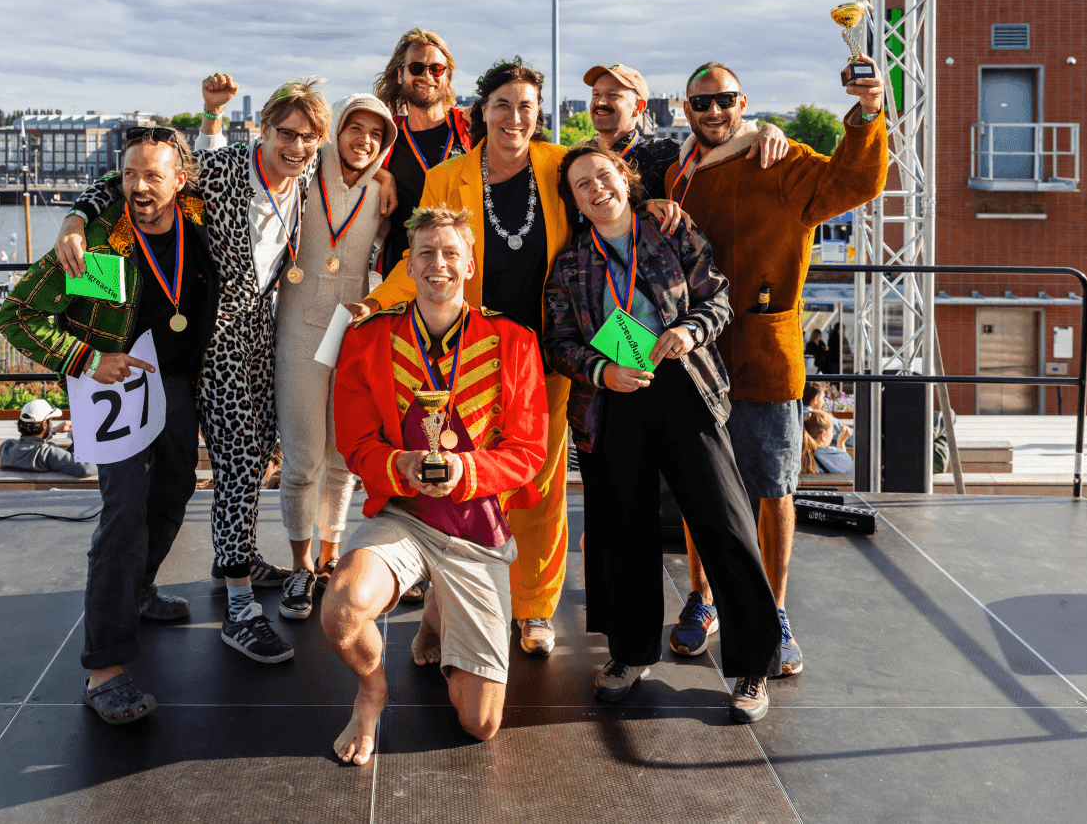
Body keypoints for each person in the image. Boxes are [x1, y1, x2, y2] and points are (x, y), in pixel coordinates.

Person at [353, 57, 687, 657]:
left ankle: (534, 606)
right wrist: (375, 303)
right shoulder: (447, 177)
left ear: (539, 114)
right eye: (503, 105)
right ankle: (448, 611)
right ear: (481, 111)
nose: (514, 117)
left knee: (540, 483)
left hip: (548, 352)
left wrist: (651, 205)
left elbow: (607, 193)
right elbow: (425, 253)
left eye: (526, 106)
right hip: (468, 354)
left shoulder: (558, 164)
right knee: (462, 482)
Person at [55, 80, 386, 665]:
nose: (298, 147)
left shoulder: (309, 173)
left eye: (309, 138)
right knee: (236, 459)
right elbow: (137, 178)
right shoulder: (226, 169)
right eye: (287, 134)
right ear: (264, 130)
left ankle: (233, 555)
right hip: (215, 334)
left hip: (264, 329)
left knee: (254, 456)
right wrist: (75, 221)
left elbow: (359, 169)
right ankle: (238, 603)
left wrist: (386, 179)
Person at [666, 57, 888, 677]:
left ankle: (774, 610)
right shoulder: (677, 172)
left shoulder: (779, 160)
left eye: (725, 100)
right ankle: (704, 598)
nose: (714, 111)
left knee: (774, 489)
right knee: (700, 488)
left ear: (744, 102)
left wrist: (868, 113)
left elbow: (855, 181)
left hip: (763, 355)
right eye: (701, 102)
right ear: (685, 109)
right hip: (693, 355)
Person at [543, 143, 780, 721]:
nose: (596, 189)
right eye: (582, 185)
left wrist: (691, 331)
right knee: (624, 532)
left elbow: (718, 297)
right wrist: (602, 371)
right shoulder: (571, 262)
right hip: (613, 399)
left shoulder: (672, 232)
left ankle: (753, 664)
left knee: (725, 523)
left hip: (686, 386)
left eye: (603, 176)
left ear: (625, 179)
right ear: (574, 201)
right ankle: (629, 653)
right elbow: (559, 342)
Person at [0, 130, 220, 724]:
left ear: (180, 180)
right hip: (113, 387)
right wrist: (88, 359)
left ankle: (139, 589)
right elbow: (17, 315)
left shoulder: (200, 217)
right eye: (129, 175)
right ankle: (105, 668)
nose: (139, 187)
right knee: (123, 513)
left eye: (153, 175)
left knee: (174, 491)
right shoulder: (99, 242)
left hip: (177, 384)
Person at [323, 205, 548, 765]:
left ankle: (435, 612)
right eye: (425, 253)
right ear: (409, 264)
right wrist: (397, 465)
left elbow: (528, 452)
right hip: (404, 517)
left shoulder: (514, 339)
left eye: (451, 253)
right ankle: (372, 692)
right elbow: (355, 443)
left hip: (476, 532)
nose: (438, 263)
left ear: (470, 265)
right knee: (341, 611)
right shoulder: (368, 337)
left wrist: (467, 472)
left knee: (480, 724)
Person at [196, 81, 399, 619]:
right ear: (336, 132)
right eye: (354, 128)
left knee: (342, 459)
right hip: (296, 330)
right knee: (303, 457)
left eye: (376, 134)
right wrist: (212, 116)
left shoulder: (384, 191)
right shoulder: (309, 169)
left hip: (352, 331)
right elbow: (216, 167)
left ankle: (331, 556)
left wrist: (386, 175)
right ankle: (300, 566)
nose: (364, 140)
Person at [583, 63, 786, 199]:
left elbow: (718, 143)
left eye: (613, 95)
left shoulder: (665, 155)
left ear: (639, 107)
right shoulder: (576, 157)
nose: (600, 102)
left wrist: (767, 130)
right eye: (596, 94)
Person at [374, 28, 473, 272]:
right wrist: (381, 175)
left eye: (436, 69)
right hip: (402, 271)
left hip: (460, 271)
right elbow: (340, 157)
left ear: (447, 76)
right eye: (416, 67)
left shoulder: (470, 130)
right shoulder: (385, 136)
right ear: (400, 74)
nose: (427, 75)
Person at [0, 398, 97, 478]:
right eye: (50, 420)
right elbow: (87, 468)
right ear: (44, 424)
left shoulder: (6, 448)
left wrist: (53, 431)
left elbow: (31, 442)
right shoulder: (48, 453)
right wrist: (79, 439)